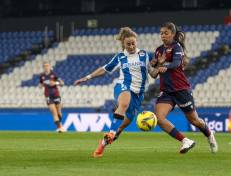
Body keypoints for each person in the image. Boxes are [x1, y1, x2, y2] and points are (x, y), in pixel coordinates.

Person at [74, 27, 157, 157]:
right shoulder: (120, 57)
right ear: (123, 44)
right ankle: (111, 132)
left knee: (122, 126)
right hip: (123, 86)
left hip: (138, 94)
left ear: (137, 42)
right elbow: (103, 70)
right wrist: (87, 77)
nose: (130, 46)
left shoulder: (145, 55)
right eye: (128, 44)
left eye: (133, 43)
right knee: (124, 104)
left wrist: (160, 65)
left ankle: (103, 144)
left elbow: (153, 74)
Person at [150, 22, 218, 154]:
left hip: (181, 89)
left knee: (194, 121)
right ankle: (185, 140)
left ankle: (209, 136)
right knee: (159, 118)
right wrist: (156, 64)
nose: (163, 36)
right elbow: (155, 73)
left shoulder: (177, 47)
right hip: (166, 91)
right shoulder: (158, 50)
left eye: (166, 33)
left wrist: (165, 66)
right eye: (161, 33)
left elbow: (176, 63)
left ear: (173, 34)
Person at [38, 62, 64, 133]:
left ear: (49, 67)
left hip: (56, 95)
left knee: (59, 113)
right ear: (43, 68)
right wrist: (40, 85)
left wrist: (55, 83)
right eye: (45, 66)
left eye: (47, 66)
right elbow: (40, 84)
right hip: (48, 96)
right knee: (54, 112)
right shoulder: (42, 76)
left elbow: (62, 83)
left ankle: (60, 125)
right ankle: (60, 128)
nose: (46, 67)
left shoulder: (53, 75)